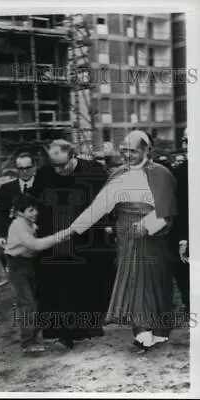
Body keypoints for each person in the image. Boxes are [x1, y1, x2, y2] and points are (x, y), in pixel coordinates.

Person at [69, 130, 178, 353]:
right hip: (126, 237)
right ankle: (142, 334)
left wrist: (147, 226)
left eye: (133, 150)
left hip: (155, 239)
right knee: (134, 283)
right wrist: (72, 230)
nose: (127, 155)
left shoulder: (162, 174)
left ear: (147, 150)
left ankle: (159, 331)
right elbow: (100, 207)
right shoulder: (117, 174)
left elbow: (169, 210)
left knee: (157, 283)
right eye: (124, 150)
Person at [31, 139, 116, 349]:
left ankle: (91, 324)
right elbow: (34, 202)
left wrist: (108, 225)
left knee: (92, 281)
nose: (58, 170)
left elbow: (108, 201)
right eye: (54, 166)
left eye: (62, 165)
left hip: (89, 238)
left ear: (73, 156)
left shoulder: (94, 172)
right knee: (61, 285)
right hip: (58, 238)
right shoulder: (44, 174)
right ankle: (63, 332)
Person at [4, 193, 71, 354]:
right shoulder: (18, 225)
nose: (35, 213)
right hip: (17, 265)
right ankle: (27, 343)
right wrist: (59, 237)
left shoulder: (30, 224)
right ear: (21, 212)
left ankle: (33, 337)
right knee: (27, 304)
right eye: (30, 210)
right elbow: (35, 245)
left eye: (36, 209)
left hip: (28, 264)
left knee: (34, 302)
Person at [0, 152, 38, 269]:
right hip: (15, 244)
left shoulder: (44, 186)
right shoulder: (6, 189)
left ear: (34, 167)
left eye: (28, 168)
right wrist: (0, 236)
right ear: (16, 169)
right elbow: (0, 215)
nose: (25, 171)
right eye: (21, 168)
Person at [171, 128, 189, 313]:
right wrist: (182, 237)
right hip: (185, 233)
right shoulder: (179, 173)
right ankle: (189, 301)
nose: (185, 146)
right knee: (183, 269)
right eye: (184, 141)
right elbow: (177, 207)